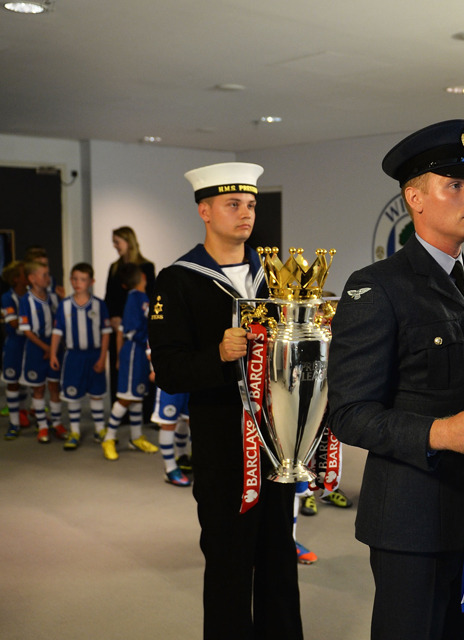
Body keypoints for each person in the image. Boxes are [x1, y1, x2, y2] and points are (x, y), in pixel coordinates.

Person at [327, 119, 464, 640]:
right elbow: (348, 413)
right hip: (412, 521)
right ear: (415, 199)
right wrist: (439, 432)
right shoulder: (377, 287)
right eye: (455, 185)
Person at [149, 162, 302, 639]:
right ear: (205, 211)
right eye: (233, 204)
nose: (246, 213)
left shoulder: (276, 277)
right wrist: (216, 355)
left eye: (251, 204)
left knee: (279, 560)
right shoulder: (178, 280)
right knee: (228, 566)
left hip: (276, 444)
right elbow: (168, 371)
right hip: (221, 447)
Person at [49, 263, 111, 450]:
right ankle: (74, 431)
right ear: (70, 280)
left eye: (83, 279)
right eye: (75, 279)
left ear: (91, 282)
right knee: (73, 395)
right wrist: (53, 354)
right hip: (73, 357)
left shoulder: (99, 305)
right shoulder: (65, 305)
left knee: (96, 394)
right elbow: (57, 332)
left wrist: (103, 358)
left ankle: (99, 429)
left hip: (94, 355)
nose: (78, 283)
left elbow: (105, 333)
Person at [101, 263, 158, 460]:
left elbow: (121, 330)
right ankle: (109, 438)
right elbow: (137, 331)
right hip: (135, 351)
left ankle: (135, 437)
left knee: (137, 396)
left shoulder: (135, 298)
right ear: (144, 277)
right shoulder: (139, 299)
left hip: (135, 352)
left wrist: (119, 355)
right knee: (126, 397)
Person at [105, 226, 155, 405]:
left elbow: (151, 298)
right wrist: (113, 318)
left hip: (140, 331)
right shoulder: (114, 268)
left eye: (117, 242)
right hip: (119, 328)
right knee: (119, 369)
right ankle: (120, 410)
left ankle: (145, 413)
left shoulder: (146, 267)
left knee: (143, 371)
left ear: (128, 242)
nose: (115, 245)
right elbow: (109, 298)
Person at [18, 260, 63, 443]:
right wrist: (46, 348)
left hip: (53, 345)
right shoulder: (26, 300)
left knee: (54, 386)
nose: (48, 278)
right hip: (36, 348)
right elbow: (27, 330)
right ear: (32, 278)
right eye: (44, 275)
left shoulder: (53, 297)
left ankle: (57, 423)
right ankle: (42, 425)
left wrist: (53, 348)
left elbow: (60, 321)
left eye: (48, 274)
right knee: (38, 388)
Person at [3, 261, 30, 439]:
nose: (28, 275)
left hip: (30, 343)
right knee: (12, 381)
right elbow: (13, 323)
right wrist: (33, 323)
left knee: (28, 380)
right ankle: (14, 423)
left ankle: (23, 412)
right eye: (24, 273)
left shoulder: (32, 295)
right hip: (14, 345)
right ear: (16, 279)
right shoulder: (7, 298)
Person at [150, 387, 192, 486]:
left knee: (188, 418)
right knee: (168, 423)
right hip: (170, 382)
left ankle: (182, 457)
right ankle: (170, 469)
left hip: (192, 382)